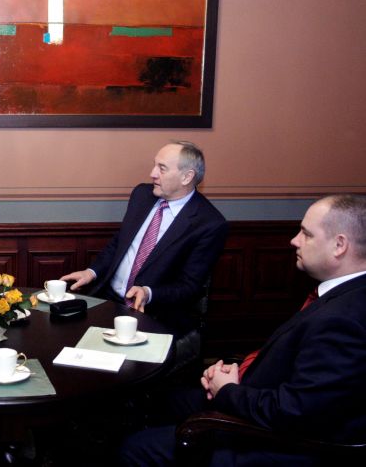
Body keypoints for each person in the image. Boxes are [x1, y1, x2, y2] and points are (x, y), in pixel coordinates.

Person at [118, 194, 366, 465]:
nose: (294, 240)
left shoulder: (344, 320)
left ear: (339, 245)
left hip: (279, 442)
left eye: (306, 234)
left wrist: (228, 391)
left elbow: (295, 412)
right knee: (155, 402)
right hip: (257, 393)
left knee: (136, 448)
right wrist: (237, 372)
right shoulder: (342, 294)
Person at [61, 141, 227, 335]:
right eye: (154, 165)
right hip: (108, 301)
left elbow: (189, 287)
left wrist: (148, 293)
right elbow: (119, 243)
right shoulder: (142, 195)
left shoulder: (209, 223)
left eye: (162, 168)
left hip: (154, 315)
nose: (152, 173)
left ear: (187, 177)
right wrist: (92, 272)